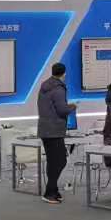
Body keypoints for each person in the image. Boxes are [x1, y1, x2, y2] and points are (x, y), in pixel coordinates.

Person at [36, 63, 76, 204]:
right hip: (54, 130)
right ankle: (49, 192)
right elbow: (62, 110)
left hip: (45, 129)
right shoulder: (58, 89)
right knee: (60, 160)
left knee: (53, 161)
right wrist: (73, 107)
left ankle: (53, 190)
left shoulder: (44, 86)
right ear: (64, 74)